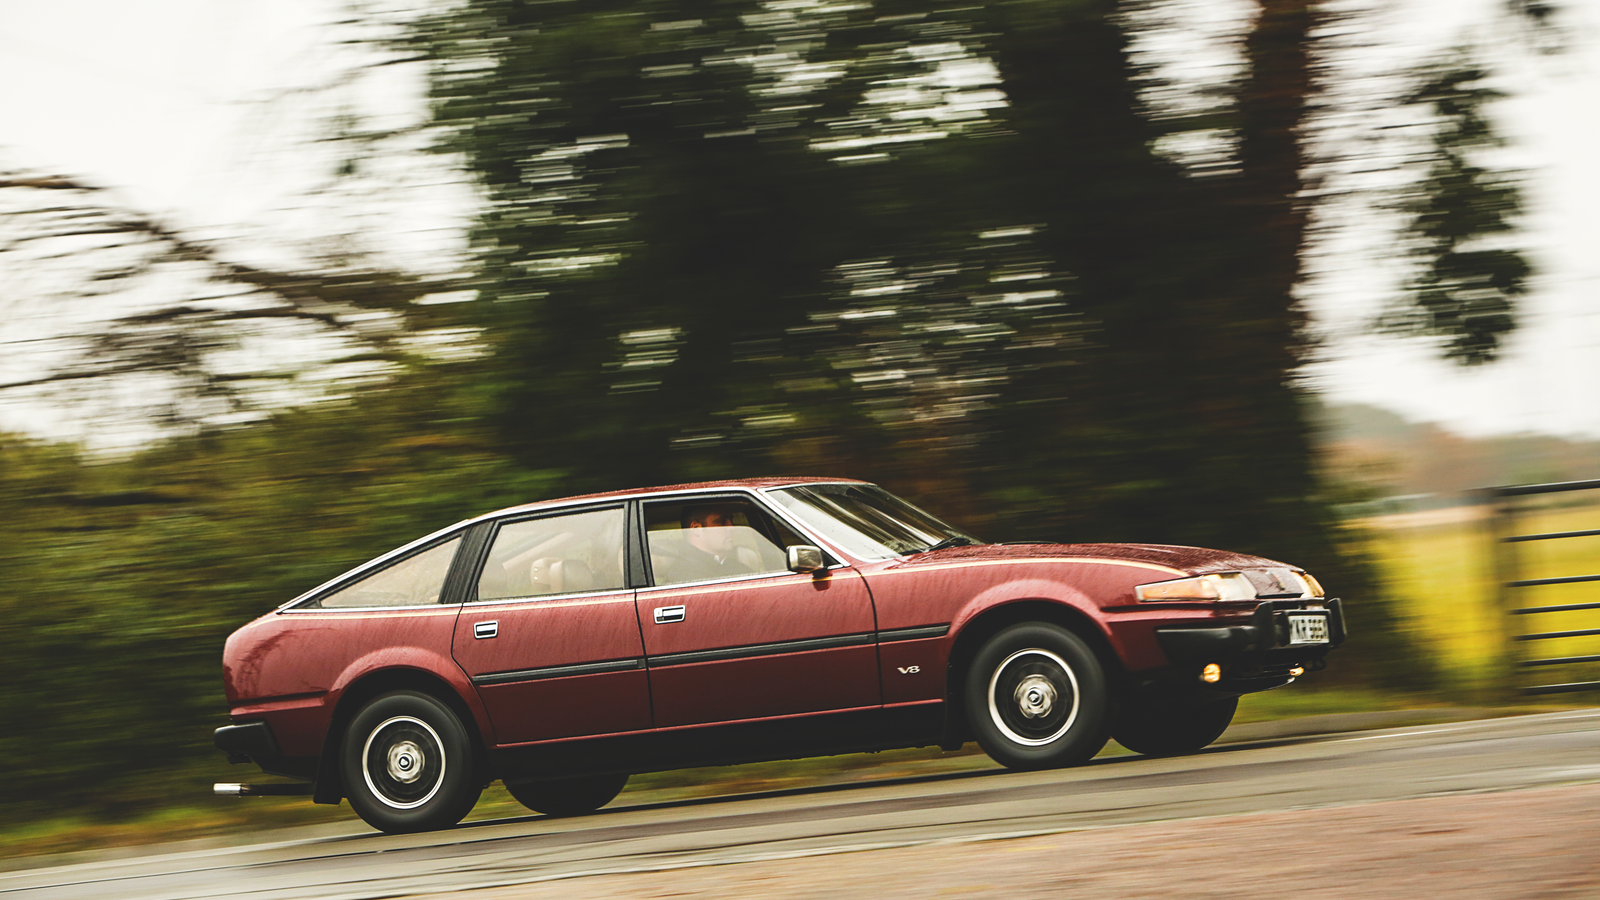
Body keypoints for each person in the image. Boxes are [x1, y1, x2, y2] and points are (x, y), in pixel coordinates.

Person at [672, 504, 756, 582]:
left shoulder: (735, 567)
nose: (731, 527)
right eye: (721, 521)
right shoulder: (683, 575)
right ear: (696, 528)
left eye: (731, 520)